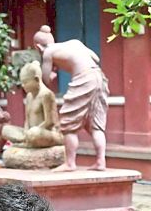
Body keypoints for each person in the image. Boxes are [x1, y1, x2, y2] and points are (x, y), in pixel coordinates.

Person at [34, 25, 109, 171]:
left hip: (84, 78)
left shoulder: (48, 52)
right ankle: (101, 162)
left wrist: (52, 72)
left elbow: (45, 79)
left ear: (38, 46)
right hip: (99, 77)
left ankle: (70, 163)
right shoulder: (75, 42)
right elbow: (96, 58)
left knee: (68, 123)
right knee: (95, 123)